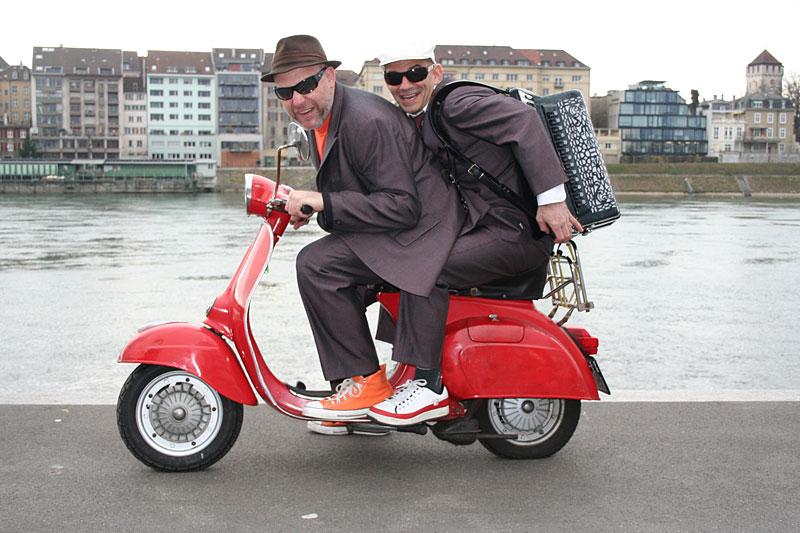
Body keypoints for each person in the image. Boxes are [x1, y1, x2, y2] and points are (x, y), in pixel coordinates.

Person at [364, 47, 583, 426]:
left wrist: (552, 200)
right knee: (384, 261)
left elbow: (523, 122)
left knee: (426, 268)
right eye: (393, 77)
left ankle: (427, 384)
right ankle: (383, 379)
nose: (405, 84)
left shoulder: (456, 103)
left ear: (436, 72)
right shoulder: (423, 115)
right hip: (488, 227)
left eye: (415, 73)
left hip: (516, 233)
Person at [261, 35, 464, 426]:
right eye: (285, 93)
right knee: (325, 266)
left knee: (318, 265)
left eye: (306, 85)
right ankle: (353, 390)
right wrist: (315, 204)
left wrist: (325, 201)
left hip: (425, 229)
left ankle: (366, 385)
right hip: (401, 226)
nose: (297, 100)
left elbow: (403, 206)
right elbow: (355, 183)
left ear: (329, 77)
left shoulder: (366, 121)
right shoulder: (320, 118)